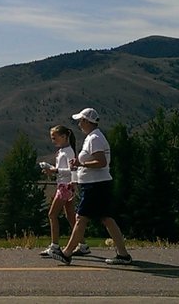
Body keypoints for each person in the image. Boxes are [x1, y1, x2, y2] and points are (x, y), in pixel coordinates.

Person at [50, 108, 132, 265]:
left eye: (81, 121)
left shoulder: (94, 138)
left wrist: (81, 163)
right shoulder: (93, 137)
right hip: (97, 184)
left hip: (96, 185)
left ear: (87, 122)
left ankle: (67, 253)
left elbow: (102, 162)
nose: (79, 124)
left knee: (81, 217)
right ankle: (123, 254)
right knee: (107, 218)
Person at [39, 125, 90, 257]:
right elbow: (65, 169)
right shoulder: (63, 151)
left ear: (64, 137)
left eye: (54, 138)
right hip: (65, 185)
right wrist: (52, 169)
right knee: (70, 216)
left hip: (65, 186)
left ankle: (55, 246)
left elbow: (72, 170)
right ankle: (82, 245)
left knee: (52, 214)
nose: (53, 140)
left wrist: (55, 170)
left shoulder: (68, 152)